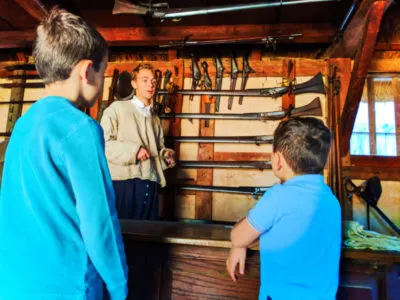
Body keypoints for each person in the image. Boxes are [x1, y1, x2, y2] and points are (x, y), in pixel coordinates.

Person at [0, 8, 128, 300]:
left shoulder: (23, 125)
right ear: (86, 71)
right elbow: (98, 223)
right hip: (66, 285)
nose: (103, 79)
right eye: (104, 71)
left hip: (13, 283)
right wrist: (119, 287)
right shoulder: (81, 128)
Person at [226, 117, 341, 300]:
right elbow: (291, 236)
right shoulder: (332, 201)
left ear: (277, 160)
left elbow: (238, 236)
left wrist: (239, 244)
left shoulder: (278, 197)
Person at [101, 63, 176, 220]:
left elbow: (158, 149)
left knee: (147, 236)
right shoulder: (117, 109)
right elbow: (104, 144)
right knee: (126, 234)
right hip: (125, 183)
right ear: (134, 83)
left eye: (153, 81)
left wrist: (166, 155)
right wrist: (134, 151)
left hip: (151, 182)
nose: (151, 84)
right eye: (144, 80)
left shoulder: (154, 118)